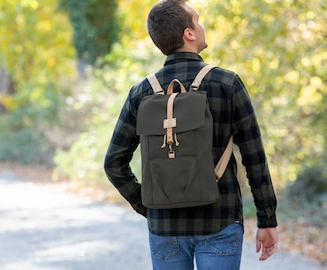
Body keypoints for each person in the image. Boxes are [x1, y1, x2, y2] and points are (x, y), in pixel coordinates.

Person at [104, 0, 278, 269]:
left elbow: (113, 163)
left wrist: (149, 206)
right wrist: (267, 219)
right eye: (198, 19)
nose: (202, 24)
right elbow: (254, 158)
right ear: (189, 33)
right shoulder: (226, 83)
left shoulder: (141, 92)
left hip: (164, 227)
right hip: (219, 220)